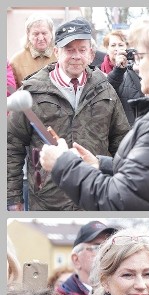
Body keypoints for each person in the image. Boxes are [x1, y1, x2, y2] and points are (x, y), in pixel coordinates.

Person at [39, 15, 149, 211]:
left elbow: (118, 202)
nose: (136, 66)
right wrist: (99, 164)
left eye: (140, 57)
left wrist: (63, 164)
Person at [8, 18, 130, 211]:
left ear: (91, 54)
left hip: (95, 196)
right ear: (56, 52)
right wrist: (13, 198)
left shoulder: (105, 89)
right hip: (47, 202)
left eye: (82, 50)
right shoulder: (31, 91)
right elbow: (11, 145)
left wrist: (122, 187)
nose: (76, 56)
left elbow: (121, 141)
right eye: (69, 49)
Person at [56, 220, 117, 295]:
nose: (105, 253)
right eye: (97, 247)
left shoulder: (119, 294)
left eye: (108, 247)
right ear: (76, 260)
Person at [103, 31, 144, 126]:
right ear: (107, 49)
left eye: (120, 45)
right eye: (113, 45)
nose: (117, 49)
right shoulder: (97, 70)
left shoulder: (135, 69)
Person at [9, 13, 57, 89]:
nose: (41, 38)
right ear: (28, 35)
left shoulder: (61, 56)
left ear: (51, 33)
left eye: (44, 33)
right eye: (36, 34)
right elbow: (11, 91)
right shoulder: (16, 61)